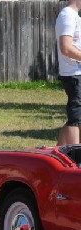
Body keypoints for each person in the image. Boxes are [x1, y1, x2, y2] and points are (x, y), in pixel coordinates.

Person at [55, 0, 81, 145]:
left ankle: (56, 154)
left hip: (77, 73)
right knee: (76, 120)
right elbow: (66, 48)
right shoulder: (67, 15)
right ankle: (76, 159)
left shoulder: (74, 16)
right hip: (74, 74)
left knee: (76, 117)